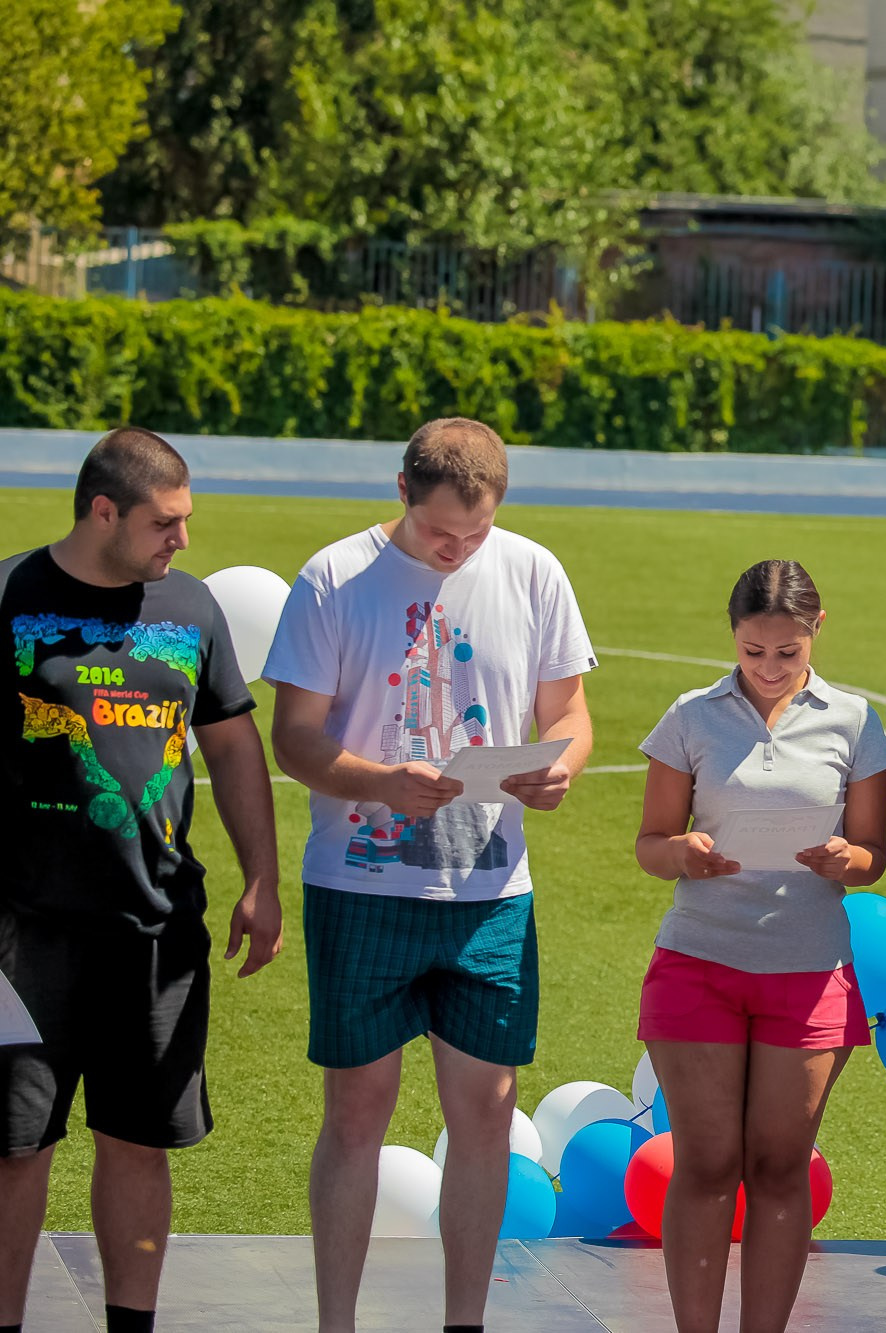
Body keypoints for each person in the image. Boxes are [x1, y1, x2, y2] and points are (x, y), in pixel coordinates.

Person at [264, 418, 596, 1333]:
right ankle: (336, 1322)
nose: (459, 550)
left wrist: (560, 766)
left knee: (486, 1117)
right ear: (401, 490)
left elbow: (570, 713)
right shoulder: (333, 577)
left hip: (489, 896)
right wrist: (377, 783)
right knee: (357, 1112)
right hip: (359, 887)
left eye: (477, 533)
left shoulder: (533, 571)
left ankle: (465, 1323)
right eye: (443, 533)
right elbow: (293, 737)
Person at [0, 428, 283, 1333]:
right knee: (15, 1149)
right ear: (103, 510)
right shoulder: (9, 595)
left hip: (157, 932)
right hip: (21, 934)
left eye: (187, 519)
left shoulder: (191, 607)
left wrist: (261, 878)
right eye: (166, 522)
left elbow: (234, 747)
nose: (183, 540)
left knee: (137, 1143)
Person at [633, 558, 886, 1333]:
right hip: (699, 963)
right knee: (707, 1163)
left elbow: (875, 852)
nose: (771, 668)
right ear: (734, 637)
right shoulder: (690, 715)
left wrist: (845, 860)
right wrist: (685, 854)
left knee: (781, 1167)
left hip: (810, 971)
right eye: (754, 652)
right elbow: (649, 842)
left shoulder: (852, 720)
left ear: (819, 631)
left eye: (789, 652)